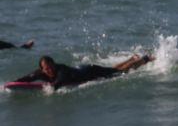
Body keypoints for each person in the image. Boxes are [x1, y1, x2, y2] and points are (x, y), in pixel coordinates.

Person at [12, 53, 154, 90]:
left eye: (50, 66)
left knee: (119, 73)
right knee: (114, 69)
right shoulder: (41, 72)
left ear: (53, 65)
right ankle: (132, 58)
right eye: (45, 68)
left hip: (89, 72)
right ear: (42, 68)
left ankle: (144, 60)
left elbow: (60, 80)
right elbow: (29, 77)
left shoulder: (61, 70)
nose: (48, 70)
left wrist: (51, 88)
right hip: (83, 69)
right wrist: (15, 82)